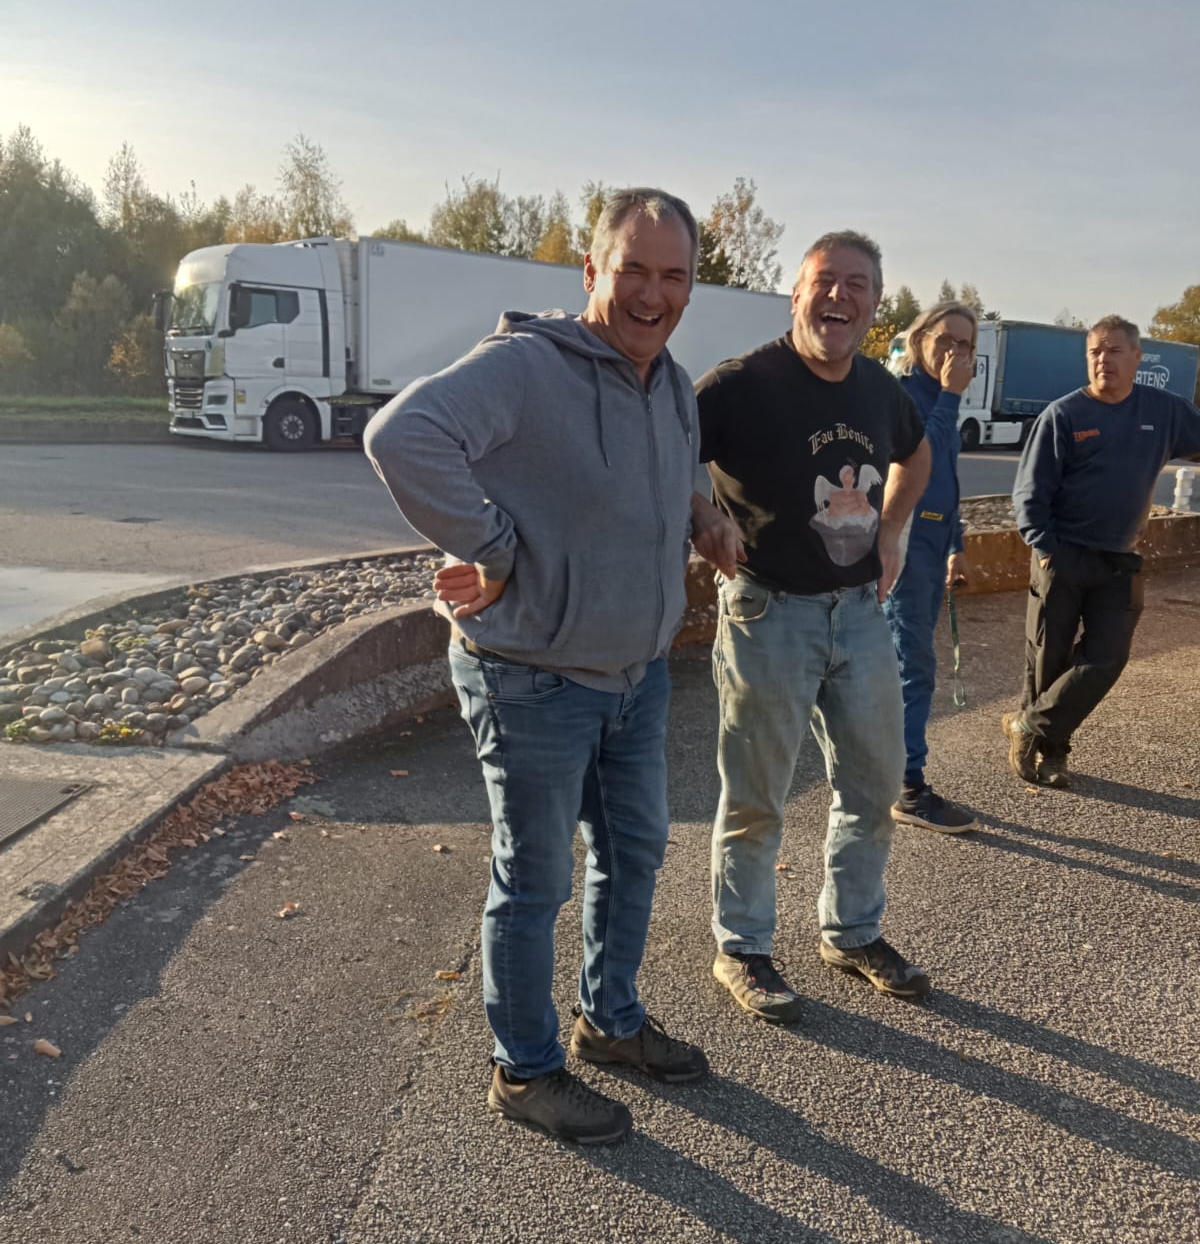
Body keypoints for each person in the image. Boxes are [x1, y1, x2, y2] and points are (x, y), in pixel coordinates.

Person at [364, 189, 709, 1146]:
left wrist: (706, 513)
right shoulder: (527, 366)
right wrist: (494, 541)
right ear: (591, 272)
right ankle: (525, 1071)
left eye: (672, 275)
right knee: (535, 882)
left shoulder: (672, 381)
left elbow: (683, 462)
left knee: (634, 855)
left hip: (635, 678)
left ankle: (612, 1022)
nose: (652, 293)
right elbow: (400, 436)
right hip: (532, 679)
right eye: (632, 270)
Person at [690, 230, 933, 1025]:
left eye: (857, 284)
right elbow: (659, 449)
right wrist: (700, 515)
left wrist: (893, 531)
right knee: (759, 794)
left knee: (873, 784)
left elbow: (917, 453)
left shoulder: (878, 387)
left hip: (860, 613)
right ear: (795, 294)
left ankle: (852, 932)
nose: (839, 296)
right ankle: (743, 947)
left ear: (873, 304)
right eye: (825, 281)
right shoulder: (739, 384)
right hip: (769, 612)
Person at [1004, 314, 1200, 787]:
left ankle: (1027, 724)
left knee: (1106, 656)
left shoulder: (1164, 410)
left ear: (1136, 357)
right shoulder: (1065, 414)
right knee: (1049, 660)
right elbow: (1029, 493)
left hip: (1119, 558)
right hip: (1063, 553)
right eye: (1095, 351)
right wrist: (1044, 546)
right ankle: (1053, 756)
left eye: (1114, 350)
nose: (1103, 360)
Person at [883, 302, 978, 834]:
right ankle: (906, 784)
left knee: (905, 662)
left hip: (932, 543)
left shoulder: (941, 398)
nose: (955, 354)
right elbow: (923, 454)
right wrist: (951, 394)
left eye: (965, 346)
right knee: (911, 665)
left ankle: (890, 771)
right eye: (946, 340)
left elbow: (947, 477)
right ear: (920, 338)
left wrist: (956, 544)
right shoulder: (904, 396)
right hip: (904, 544)